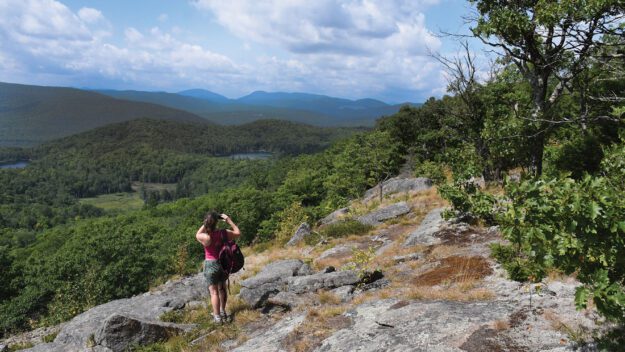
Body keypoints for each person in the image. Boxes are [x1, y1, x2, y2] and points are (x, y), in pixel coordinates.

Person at [196, 211, 241, 324]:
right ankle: (222, 311)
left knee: (214, 292)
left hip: (211, 264)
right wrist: (228, 220)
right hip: (223, 263)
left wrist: (207, 222)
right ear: (217, 222)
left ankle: (217, 317)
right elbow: (238, 232)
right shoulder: (224, 233)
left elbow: (197, 234)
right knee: (222, 288)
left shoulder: (205, 237)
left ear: (206, 223)